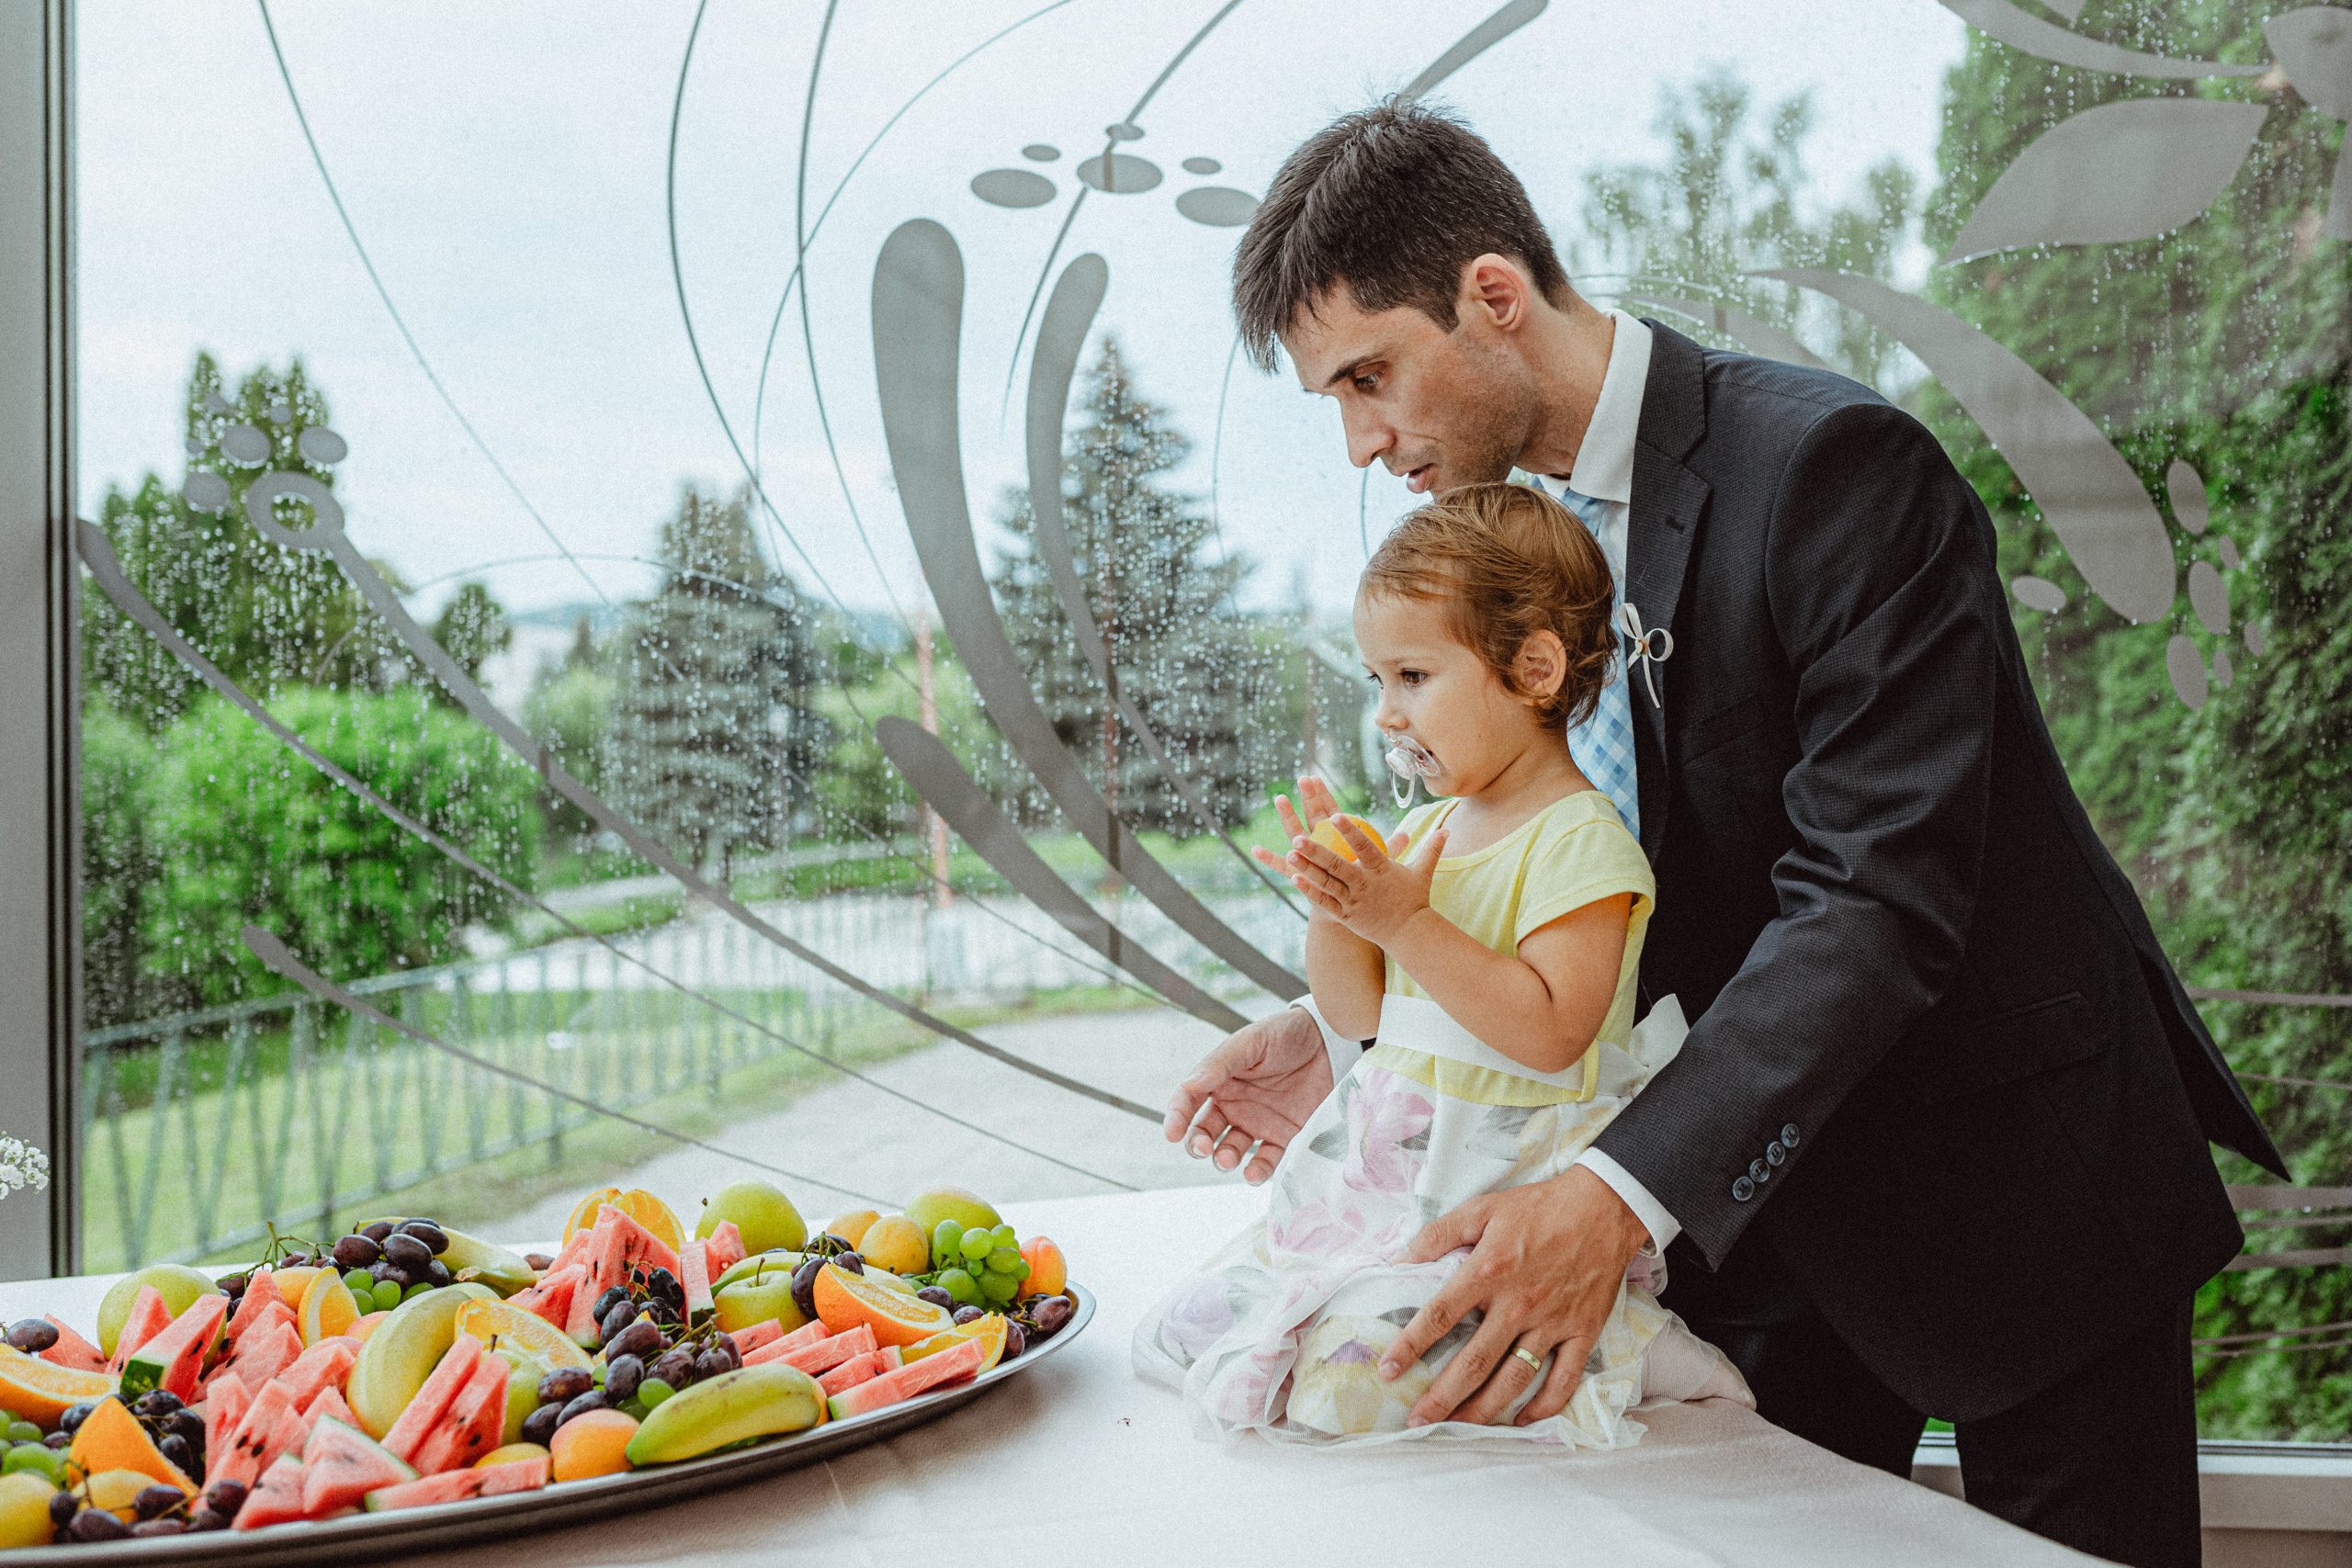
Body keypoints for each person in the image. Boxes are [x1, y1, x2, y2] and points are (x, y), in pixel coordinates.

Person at [1162, 100, 2283, 1568]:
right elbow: (1584, 864)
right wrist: (1368, 1014)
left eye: (1372, 377)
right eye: (1336, 401)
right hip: (1759, 1231)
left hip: (2011, 1186)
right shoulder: (1502, 552)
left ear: (1493, 295)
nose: (1367, 442)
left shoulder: (1837, 470)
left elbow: (1873, 898)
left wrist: (1615, 1199)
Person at [1134, 483, 1748, 1443]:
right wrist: (1342, 911)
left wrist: (1406, 920)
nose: (1386, 714)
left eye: (1412, 677)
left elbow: (1550, 1032)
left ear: (1534, 669)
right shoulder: (1427, 828)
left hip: (1491, 1195)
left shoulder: (1579, 840)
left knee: (1341, 1388)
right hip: (1385, 1185)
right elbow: (1357, 1014)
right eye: (1377, 682)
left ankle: (1629, 1345)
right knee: (1182, 1334)